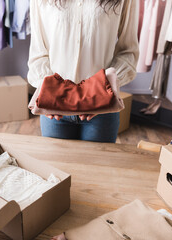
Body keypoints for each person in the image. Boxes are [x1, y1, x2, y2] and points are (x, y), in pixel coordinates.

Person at [27, 0, 139, 143]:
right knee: (56, 165)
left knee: (97, 165)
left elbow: (129, 52)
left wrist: (106, 85)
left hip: (101, 107)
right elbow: (38, 52)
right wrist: (50, 92)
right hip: (55, 108)